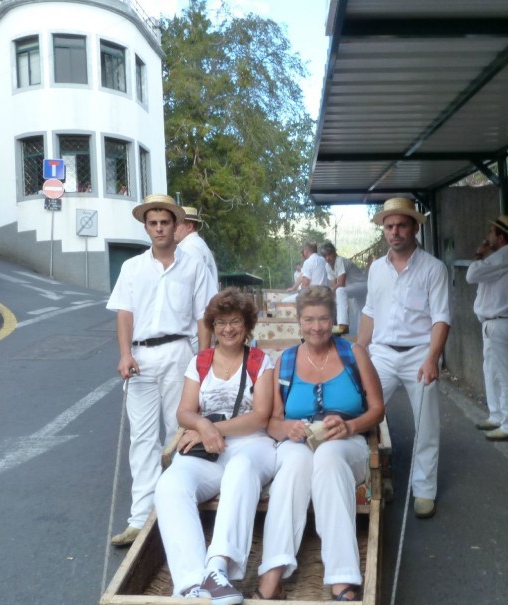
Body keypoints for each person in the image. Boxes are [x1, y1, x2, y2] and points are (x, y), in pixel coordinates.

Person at [253, 286, 384, 601]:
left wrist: (350, 424)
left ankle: (342, 579)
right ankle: (272, 575)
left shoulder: (354, 354)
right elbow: (272, 422)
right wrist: (288, 428)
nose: (316, 327)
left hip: (347, 441)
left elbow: (378, 409)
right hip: (297, 443)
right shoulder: (285, 361)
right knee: (294, 467)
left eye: (323, 319)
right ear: (298, 321)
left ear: (334, 319)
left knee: (327, 457)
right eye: (309, 319)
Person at [106, 194, 217, 547]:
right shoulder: (132, 268)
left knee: (177, 434)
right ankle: (140, 519)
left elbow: (203, 318)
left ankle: (177, 513)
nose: (159, 229)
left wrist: (204, 360)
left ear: (175, 225)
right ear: (146, 227)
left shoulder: (194, 265)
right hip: (140, 357)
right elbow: (124, 313)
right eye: (153, 223)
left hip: (179, 354)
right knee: (141, 438)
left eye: (164, 223)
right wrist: (124, 354)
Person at [154, 288, 276, 603]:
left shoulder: (260, 361)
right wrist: (204, 426)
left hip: (251, 445)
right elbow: (184, 411)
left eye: (235, 321)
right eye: (221, 322)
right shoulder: (201, 361)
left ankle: (218, 569)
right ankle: (191, 582)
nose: (228, 329)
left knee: (240, 467)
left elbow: (261, 416)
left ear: (247, 325)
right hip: (207, 447)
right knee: (170, 484)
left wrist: (213, 428)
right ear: (213, 326)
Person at [357, 197, 450, 519]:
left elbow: (441, 318)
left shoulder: (434, 268)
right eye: (389, 226)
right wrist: (359, 350)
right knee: (365, 415)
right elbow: (370, 311)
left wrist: (432, 358)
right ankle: (380, 475)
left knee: (426, 426)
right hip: (381, 354)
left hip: (418, 355)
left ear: (414, 227)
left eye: (401, 225)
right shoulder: (376, 269)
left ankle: (424, 491)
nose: (395, 232)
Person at [466, 215, 508, 442]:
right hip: (506, 323)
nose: (489, 236)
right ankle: (498, 416)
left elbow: (471, 275)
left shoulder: (505, 255)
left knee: (506, 376)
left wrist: (479, 254)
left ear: (501, 238)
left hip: (500, 324)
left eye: (492, 232)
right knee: (492, 371)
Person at [175, 205, 220, 351]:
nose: (172, 228)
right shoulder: (196, 245)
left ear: (189, 226)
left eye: (176, 224)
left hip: (194, 330)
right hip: (198, 327)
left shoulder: (190, 249)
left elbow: (192, 293)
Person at [319, 241, 368, 335]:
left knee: (340, 291)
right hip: (353, 289)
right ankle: (360, 338)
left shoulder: (339, 260)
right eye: (325, 256)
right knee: (360, 313)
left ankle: (343, 326)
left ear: (334, 253)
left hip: (363, 285)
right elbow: (333, 287)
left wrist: (329, 293)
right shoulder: (327, 266)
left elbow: (340, 284)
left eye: (329, 255)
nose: (327, 258)